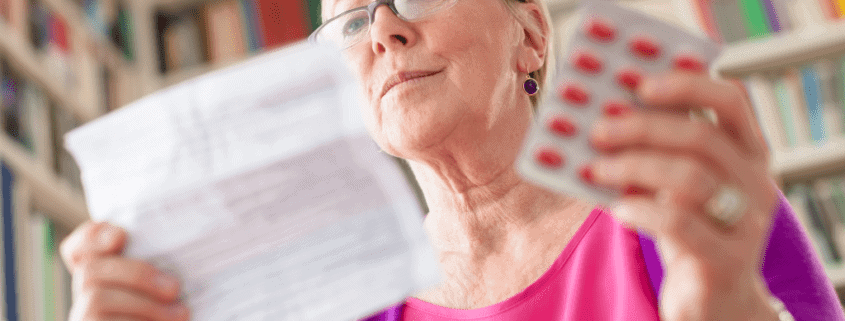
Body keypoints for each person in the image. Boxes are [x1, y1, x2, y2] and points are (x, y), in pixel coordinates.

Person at [59, 0, 845, 320]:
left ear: (530, 34)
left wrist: (725, 300)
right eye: (350, 21)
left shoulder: (693, 218)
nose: (385, 32)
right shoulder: (345, 302)